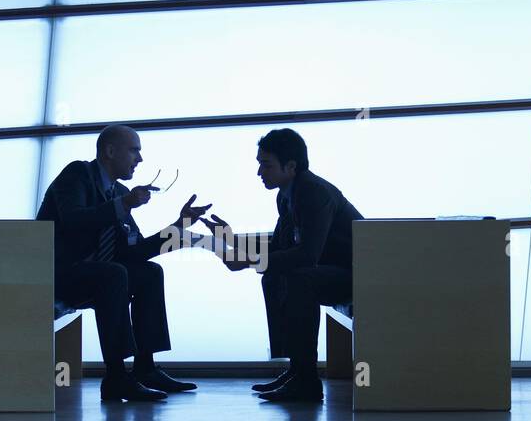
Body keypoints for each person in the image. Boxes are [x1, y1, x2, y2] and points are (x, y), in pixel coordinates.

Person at [36, 125, 210, 402]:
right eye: (134, 150)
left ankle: (145, 368)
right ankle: (116, 376)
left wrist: (179, 226)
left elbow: (135, 251)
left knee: (149, 272)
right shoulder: (77, 174)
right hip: (57, 272)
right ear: (110, 151)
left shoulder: (119, 191)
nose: (139, 159)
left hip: (95, 274)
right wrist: (123, 204)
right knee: (114, 274)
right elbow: (74, 220)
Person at [204, 128, 362, 403]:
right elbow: (280, 248)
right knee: (273, 276)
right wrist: (231, 240)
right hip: (331, 271)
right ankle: (296, 370)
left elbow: (307, 255)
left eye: (266, 164)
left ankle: (307, 381)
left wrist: (249, 260)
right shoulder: (286, 194)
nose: (259, 172)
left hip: (357, 275)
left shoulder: (312, 192)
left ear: (291, 166)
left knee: (300, 278)